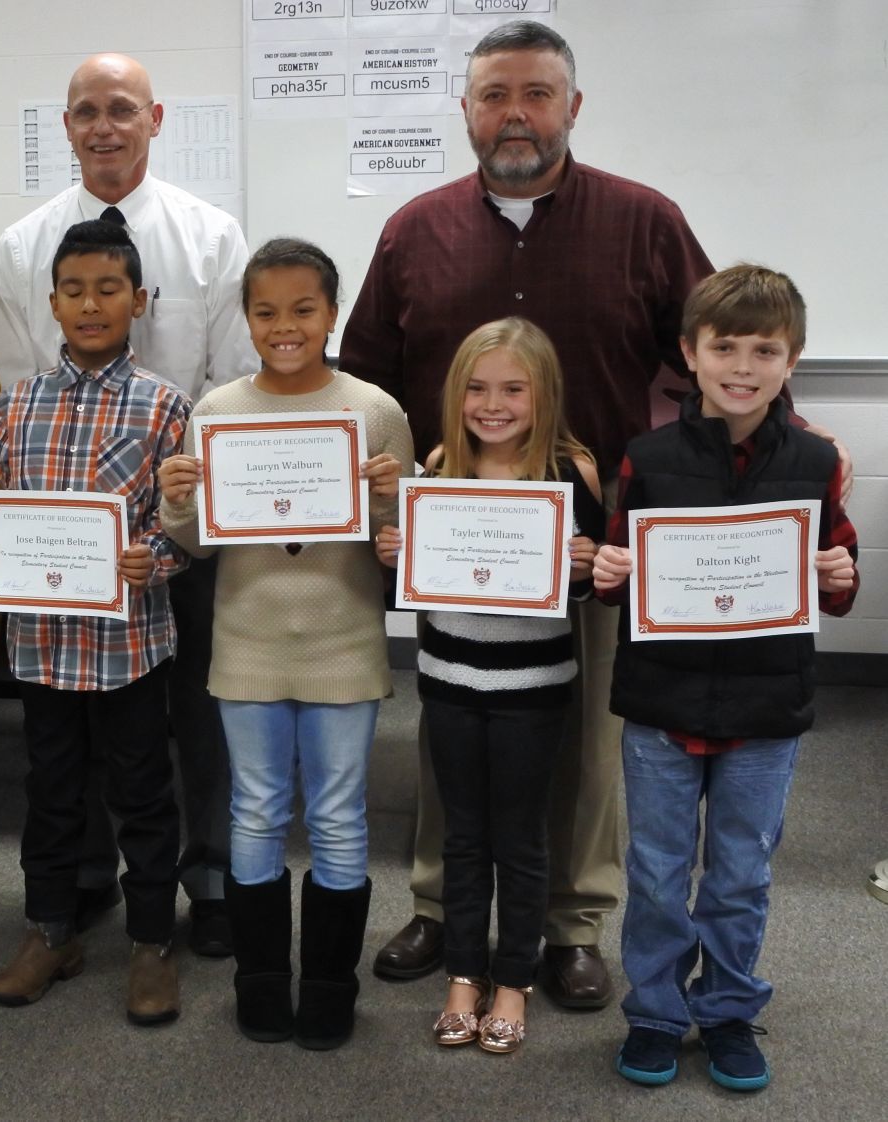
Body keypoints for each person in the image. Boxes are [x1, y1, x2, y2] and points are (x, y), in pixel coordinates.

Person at [338, 20, 715, 1006]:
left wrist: (789, 454)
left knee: (584, 739)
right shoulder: (412, 231)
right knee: (450, 728)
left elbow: (715, 358)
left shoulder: (646, 222)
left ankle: (572, 924)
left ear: (572, 108)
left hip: (587, 543)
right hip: (455, 547)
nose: (515, 114)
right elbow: (366, 379)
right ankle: (436, 905)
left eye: (536, 94)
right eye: (495, 94)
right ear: (464, 110)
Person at [0, 50, 257, 956]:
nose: (104, 125)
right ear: (66, 125)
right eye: (87, 110)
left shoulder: (212, 236)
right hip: (63, 541)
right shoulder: (24, 247)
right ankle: (87, 885)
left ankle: (206, 877)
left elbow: (233, 389)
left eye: (122, 109)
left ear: (156, 118)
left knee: (193, 709)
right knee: (70, 731)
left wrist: (178, 518)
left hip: (178, 524)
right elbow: (16, 389)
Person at [594, 265, 858, 1092]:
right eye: (724, 347)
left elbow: (834, 580)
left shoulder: (817, 461)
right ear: (690, 353)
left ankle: (730, 1008)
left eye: (765, 350)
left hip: (765, 708)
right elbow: (618, 564)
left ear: (793, 359)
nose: (743, 366)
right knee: (659, 873)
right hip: (662, 706)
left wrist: (839, 574)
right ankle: (659, 1014)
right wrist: (608, 569)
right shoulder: (646, 458)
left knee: (741, 875)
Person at [158, 238, 410, 1050]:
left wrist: (390, 502)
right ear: (247, 318)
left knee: (339, 816)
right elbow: (196, 543)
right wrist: (174, 502)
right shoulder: (217, 411)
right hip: (248, 646)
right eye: (266, 311)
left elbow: (397, 542)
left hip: (343, 645)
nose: (285, 326)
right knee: (256, 812)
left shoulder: (372, 410)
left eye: (304, 309)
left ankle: (332, 983)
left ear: (332, 314)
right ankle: (261, 980)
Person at [0, 220, 190, 1024]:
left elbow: (182, 526)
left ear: (138, 300)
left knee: (144, 791)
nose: (90, 305)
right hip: (43, 643)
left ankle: (154, 940)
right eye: (73, 290)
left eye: (107, 289)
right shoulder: (13, 406)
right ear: (51, 302)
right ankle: (50, 929)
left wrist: (152, 558)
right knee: (51, 791)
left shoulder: (166, 406)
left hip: (129, 644)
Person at [373, 318, 605, 1054]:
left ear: (545, 394)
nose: (493, 403)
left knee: (523, 839)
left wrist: (583, 566)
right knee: (462, 835)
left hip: (533, 689)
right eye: (476, 388)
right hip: (447, 681)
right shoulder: (440, 465)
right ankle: (464, 977)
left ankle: (515, 982)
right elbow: (415, 584)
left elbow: (592, 591)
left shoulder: (571, 473)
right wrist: (396, 554)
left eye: (513, 388)